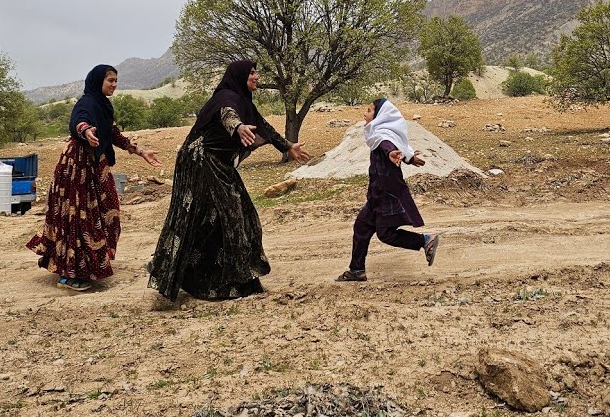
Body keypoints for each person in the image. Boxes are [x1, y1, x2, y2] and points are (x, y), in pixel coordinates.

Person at [148, 60, 309, 301]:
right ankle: (232, 280)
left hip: (218, 162)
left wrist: (287, 146)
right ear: (240, 75)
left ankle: (213, 276)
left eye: (256, 72)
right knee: (227, 214)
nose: (256, 76)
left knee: (232, 215)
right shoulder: (227, 97)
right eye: (252, 72)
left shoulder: (244, 101)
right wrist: (238, 127)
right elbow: (228, 114)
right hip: (199, 162)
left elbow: (264, 126)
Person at [26, 65, 161, 291]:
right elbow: (79, 121)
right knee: (79, 218)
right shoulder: (87, 103)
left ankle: (87, 265)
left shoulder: (103, 105)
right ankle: (69, 275)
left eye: (116, 80)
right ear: (98, 81)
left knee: (106, 212)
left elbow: (112, 133)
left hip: (95, 166)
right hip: (77, 168)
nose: (114, 84)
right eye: (110, 80)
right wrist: (86, 131)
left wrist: (139, 151)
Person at [335, 98, 440, 283]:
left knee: (386, 234)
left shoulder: (382, 135)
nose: (364, 114)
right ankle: (356, 270)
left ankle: (425, 241)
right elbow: (395, 145)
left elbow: (387, 144)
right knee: (362, 226)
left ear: (380, 115)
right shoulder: (381, 133)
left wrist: (391, 152)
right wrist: (408, 158)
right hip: (377, 193)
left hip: (385, 193)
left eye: (368, 110)